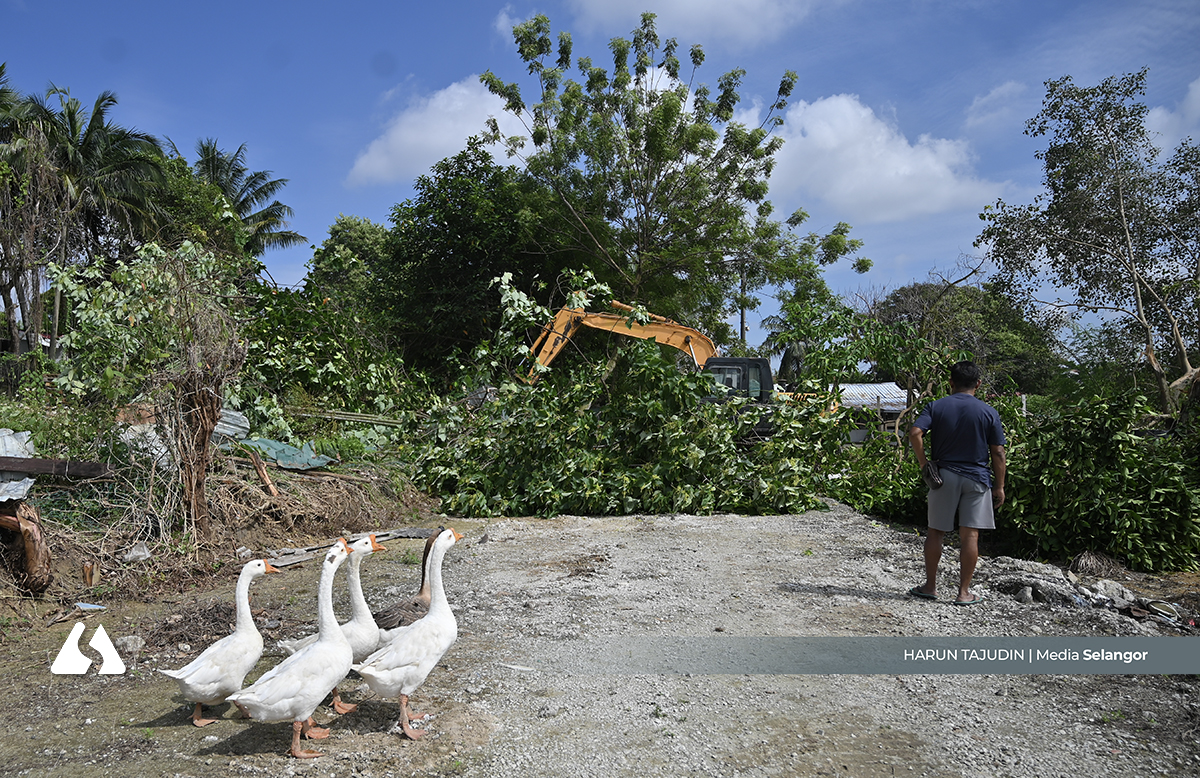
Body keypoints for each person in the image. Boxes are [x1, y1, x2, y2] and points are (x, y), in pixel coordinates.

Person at [907, 361, 1006, 605]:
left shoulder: (935, 406)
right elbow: (998, 452)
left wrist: (924, 464)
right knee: (970, 535)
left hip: (944, 475)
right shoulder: (988, 412)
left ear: (950, 382)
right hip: (977, 477)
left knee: (936, 531)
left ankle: (930, 586)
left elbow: (914, 433)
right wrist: (1000, 486)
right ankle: (963, 593)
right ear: (978, 384)